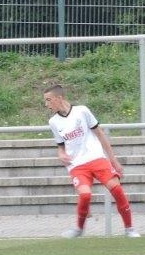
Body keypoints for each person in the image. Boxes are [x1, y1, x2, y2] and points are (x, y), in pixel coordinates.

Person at [43, 84, 140, 238]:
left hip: (96, 158)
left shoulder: (82, 111)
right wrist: (61, 154)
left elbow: (100, 134)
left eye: (48, 100)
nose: (46, 104)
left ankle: (130, 229)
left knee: (116, 189)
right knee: (85, 195)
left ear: (59, 98)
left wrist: (113, 160)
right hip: (77, 165)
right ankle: (79, 229)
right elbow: (61, 146)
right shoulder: (53, 122)